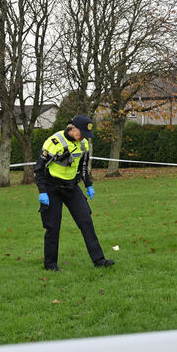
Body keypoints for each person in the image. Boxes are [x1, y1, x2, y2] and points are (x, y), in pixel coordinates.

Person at [34, 114, 114, 271]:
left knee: (86, 221)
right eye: (81, 132)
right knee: (53, 227)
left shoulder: (83, 144)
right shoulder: (53, 142)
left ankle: (99, 260)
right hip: (52, 188)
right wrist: (43, 191)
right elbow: (39, 169)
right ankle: (50, 265)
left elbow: (83, 167)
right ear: (73, 128)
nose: (83, 136)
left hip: (71, 187)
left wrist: (88, 185)